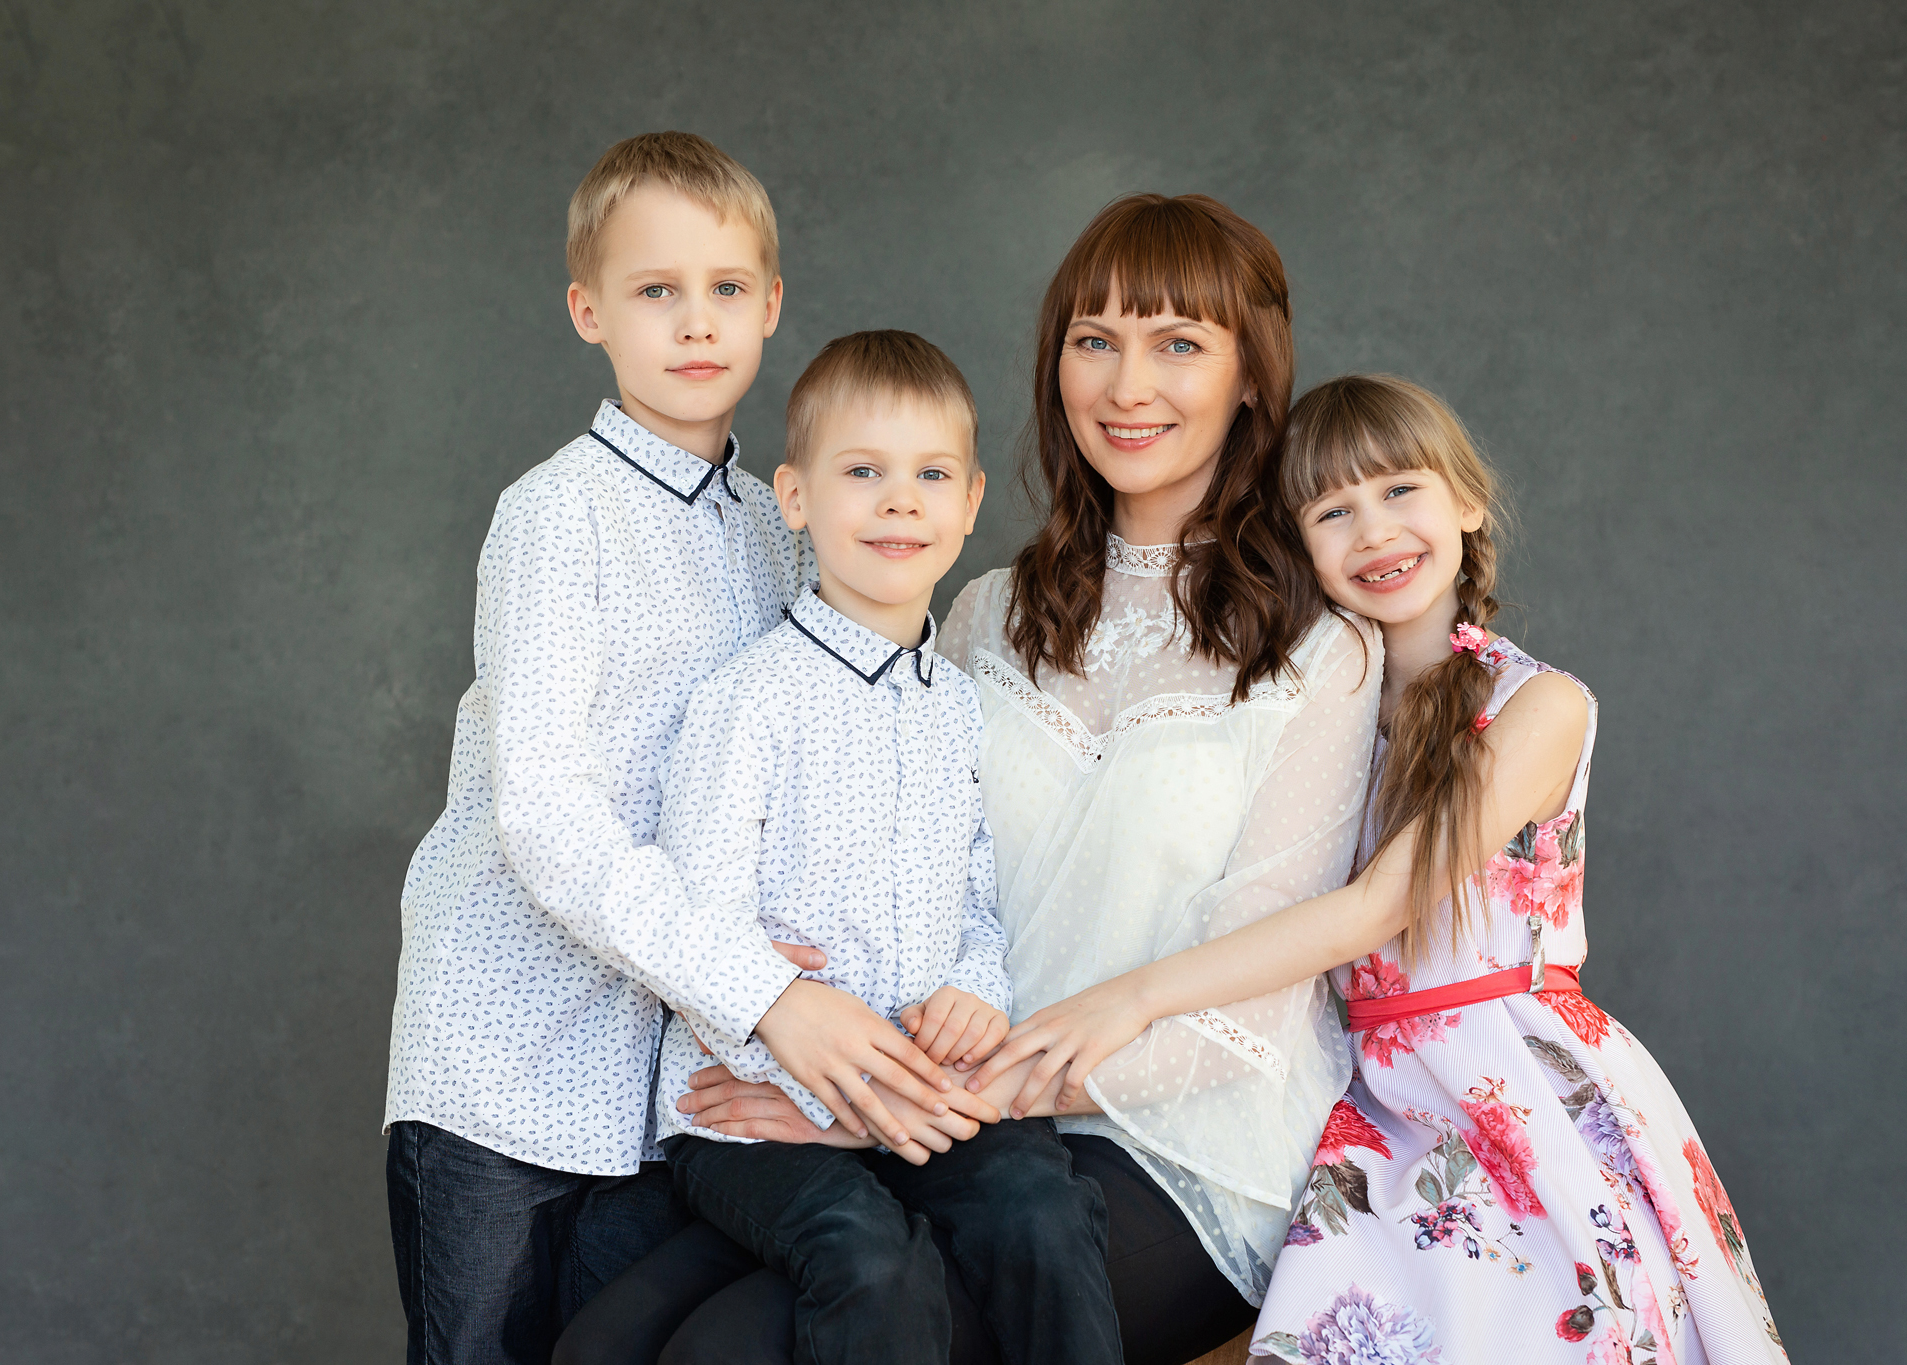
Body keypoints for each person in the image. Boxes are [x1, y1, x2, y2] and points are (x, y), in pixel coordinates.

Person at [659, 193, 1386, 1364]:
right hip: (953, 1119)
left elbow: (1240, 1018)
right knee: (627, 1327)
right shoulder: (982, 613)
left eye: (1177, 344)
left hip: (1182, 1148)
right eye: (1093, 340)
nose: (1126, 385)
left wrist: (892, 1108)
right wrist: (799, 1022)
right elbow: (895, 883)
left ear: (1252, 374)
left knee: (741, 1352)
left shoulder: (1319, 649)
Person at [985, 375, 1788, 1361]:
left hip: (1504, 1078)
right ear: (1295, 544)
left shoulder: (1534, 707)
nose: (1373, 531)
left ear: (1467, 501)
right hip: (1363, 1088)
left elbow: (1372, 907)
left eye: (1399, 490)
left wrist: (1134, 997)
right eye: (1331, 511)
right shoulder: (1315, 705)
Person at [383, 134, 956, 1363]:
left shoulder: (787, 524)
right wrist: (764, 990)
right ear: (589, 312)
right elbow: (545, 811)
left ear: (770, 306)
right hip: (509, 1051)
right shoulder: (556, 516)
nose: (695, 322)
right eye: (656, 290)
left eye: (725, 288)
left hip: (682, 1081)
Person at [556, 330, 1125, 1365]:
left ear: (969, 502)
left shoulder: (959, 706)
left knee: (1041, 1208)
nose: (899, 502)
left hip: (916, 1086)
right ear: (795, 496)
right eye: (862, 472)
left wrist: (973, 990)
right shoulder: (749, 701)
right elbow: (701, 931)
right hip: (755, 1108)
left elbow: (976, 897)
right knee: (868, 1256)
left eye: (930, 476)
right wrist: (830, 1099)